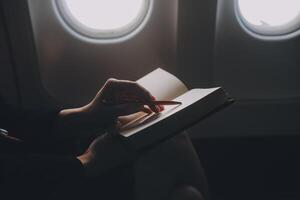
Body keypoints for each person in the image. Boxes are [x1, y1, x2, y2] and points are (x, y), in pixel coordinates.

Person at [0, 78, 207, 200]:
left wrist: (85, 114)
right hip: (31, 181)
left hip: (34, 157)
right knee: (185, 190)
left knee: (186, 189)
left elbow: (12, 118)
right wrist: (87, 162)